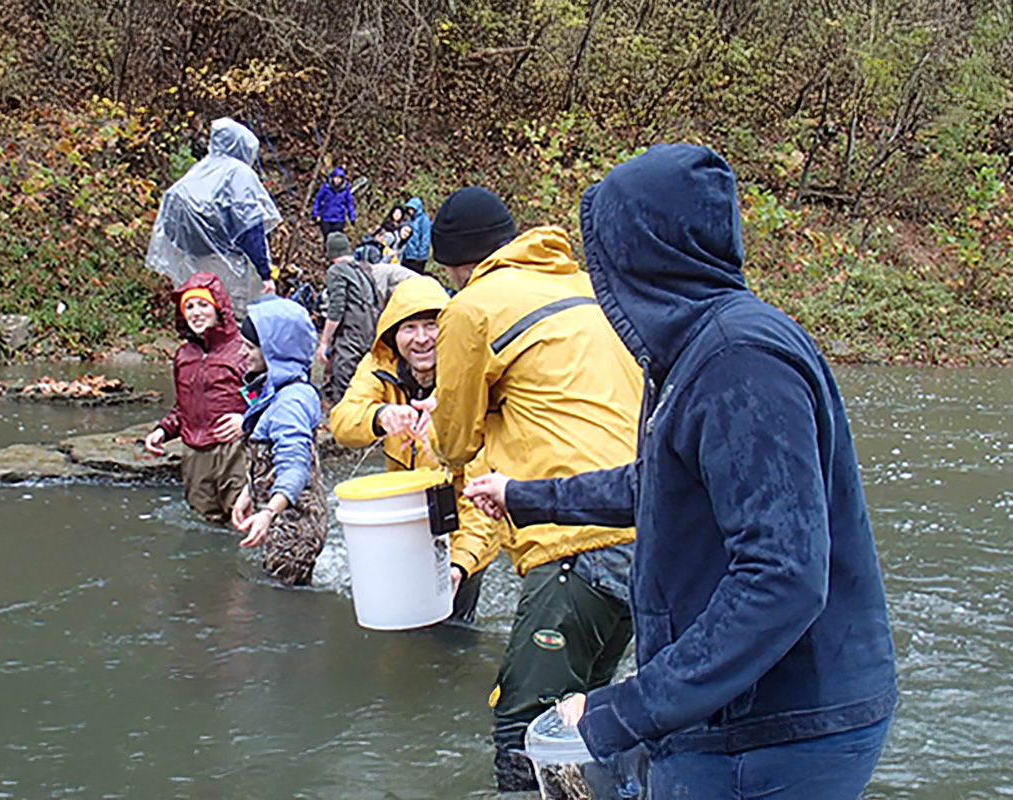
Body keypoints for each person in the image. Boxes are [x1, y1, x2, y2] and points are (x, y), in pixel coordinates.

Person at [465, 145, 898, 799]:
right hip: (726, 717)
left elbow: (784, 578)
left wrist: (629, 709)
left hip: (781, 727)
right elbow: (658, 489)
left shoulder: (739, 360)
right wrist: (523, 496)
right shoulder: (690, 353)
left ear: (641, 253)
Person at [426, 186, 644, 792]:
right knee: (584, 725)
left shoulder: (472, 308)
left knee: (523, 730)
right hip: (648, 533)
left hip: (573, 543)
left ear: (458, 264)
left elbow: (454, 441)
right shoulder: (587, 288)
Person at [328, 276, 500, 624]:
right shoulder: (380, 367)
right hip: (405, 523)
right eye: (409, 327)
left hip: (463, 529)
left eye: (431, 326)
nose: (421, 339)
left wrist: (460, 564)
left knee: (452, 635)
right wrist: (381, 415)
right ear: (393, 334)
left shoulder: (472, 379)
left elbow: (483, 496)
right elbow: (342, 421)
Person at [232, 297, 328, 587]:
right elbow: (270, 460)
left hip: (294, 527)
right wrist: (249, 493)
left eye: (249, 347)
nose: (241, 353)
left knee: (284, 609)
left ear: (274, 351)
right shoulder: (275, 390)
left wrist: (268, 512)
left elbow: (295, 467)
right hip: (281, 520)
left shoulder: (291, 402)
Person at [145, 118, 280, 320]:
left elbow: (171, 214)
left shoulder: (200, 171)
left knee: (203, 319)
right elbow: (249, 226)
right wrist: (264, 273)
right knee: (231, 322)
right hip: (229, 267)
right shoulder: (238, 173)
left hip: (194, 264)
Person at [144, 273, 247, 523]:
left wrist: (246, 421)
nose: (196, 312)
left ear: (219, 308)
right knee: (206, 522)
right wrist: (163, 430)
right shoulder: (183, 356)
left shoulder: (243, 350)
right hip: (194, 452)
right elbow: (183, 407)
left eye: (203, 304)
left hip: (234, 448)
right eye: (189, 306)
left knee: (242, 518)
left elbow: (268, 400)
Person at [316, 232, 381, 405]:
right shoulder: (364, 269)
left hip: (350, 335)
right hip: (371, 331)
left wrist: (324, 342)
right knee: (366, 380)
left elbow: (336, 309)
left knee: (344, 382)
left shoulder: (336, 271)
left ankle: (342, 425)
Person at [311, 167, 356, 240]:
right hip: (326, 218)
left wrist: (352, 217)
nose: (337, 180)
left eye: (339, 178)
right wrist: (314, 213)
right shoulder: (325, 188)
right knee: (327, 238)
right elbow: (318, 200)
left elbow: (350, 204)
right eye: (336, 178)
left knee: (336, 239)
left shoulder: (345, 190)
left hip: (339, 219)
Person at [401, 197, 432, 273]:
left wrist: (421, 256)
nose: (410, 211)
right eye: (408, 208)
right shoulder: (410, 220)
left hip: (417, 257)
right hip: (408, 255)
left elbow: (425, 239)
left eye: (412, 208)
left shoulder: (424, 220)